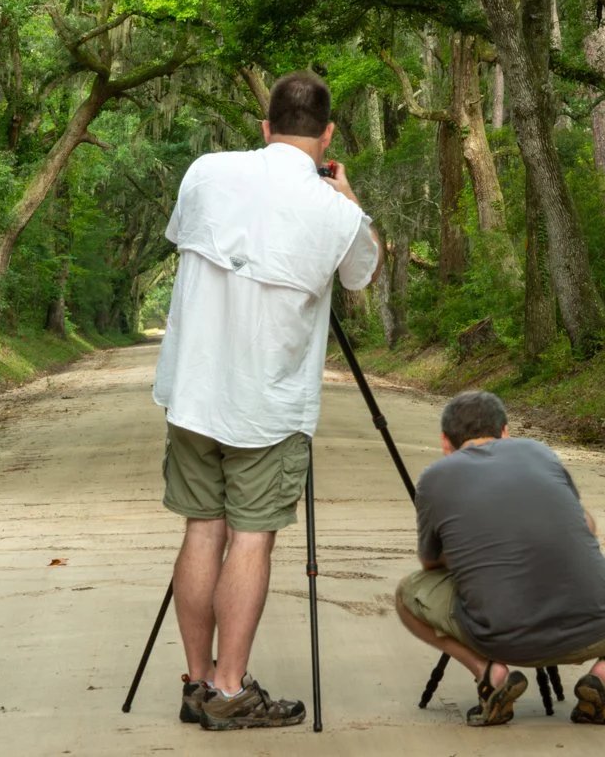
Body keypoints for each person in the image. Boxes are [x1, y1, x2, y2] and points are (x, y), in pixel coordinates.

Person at [152, 70, 380, 731]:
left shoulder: (205, 171)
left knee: (202, 528)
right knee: (250, 537)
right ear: (328, 134)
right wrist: (345, 194)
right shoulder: (335, 211)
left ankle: (198, 680)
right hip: (266, 404)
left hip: (193, 390)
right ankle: (229, 687)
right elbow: (363, 269)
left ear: (265, 125)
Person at [395, 390, 605, 727]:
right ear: (506, 432)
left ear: (445, 441)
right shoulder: (539, 452)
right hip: (599, 628)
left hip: (504, 640)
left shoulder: (434, 478)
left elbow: (430, 566)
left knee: (408, 595)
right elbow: (587, 526)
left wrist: (475, 555)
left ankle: (489, 673)